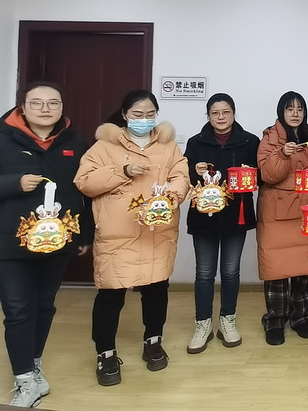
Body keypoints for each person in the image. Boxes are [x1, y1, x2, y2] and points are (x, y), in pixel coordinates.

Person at [74, 90, 189, 387]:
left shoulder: (168, 146)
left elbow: (181, 176)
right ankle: (106, 354)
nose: (144, 120)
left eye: (150, 114)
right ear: (125, 115)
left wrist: (171, 196)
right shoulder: (104, 146)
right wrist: (122, 170)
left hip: (156, 231)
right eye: (138, 115)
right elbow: (84, 182)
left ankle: (154, 341)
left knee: (157, 289)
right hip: (118, 234)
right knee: (111, 295)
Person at [0, 82, 92, 407]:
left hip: (56, 241)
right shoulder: (3, 139)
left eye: (53, 103)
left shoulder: (76, 144)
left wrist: (84, 235)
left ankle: (34, 366)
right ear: (23, 107)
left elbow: (84, 192)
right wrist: (13, 183)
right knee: (17, 310)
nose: (45, 108)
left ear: (62, 107)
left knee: (44, 306)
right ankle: (24, 380)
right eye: (36, 102)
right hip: (9, 244)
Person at [184, 93, 259, 353]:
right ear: (208, 116)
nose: (221, 117)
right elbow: (183, 178)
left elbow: (261, 178)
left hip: (236, 214)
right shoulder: (195, 142)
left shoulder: (250, 141)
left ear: (234, 114)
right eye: (215, 113)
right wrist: (194, 171)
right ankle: (202, 323)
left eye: (226, 112)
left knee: (230, 271)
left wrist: (250, 173)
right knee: (204, 273)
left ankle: (228, 319)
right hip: (203, 215)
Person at [257, 91, 308, 346]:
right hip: (278, 213)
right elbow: (268, 175)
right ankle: (275, 320)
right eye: (289, 108)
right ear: (281, 112)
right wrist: (283, 154)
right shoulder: (270, 139)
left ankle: (301, 317)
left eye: (299, 109)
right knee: (277, 269)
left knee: (305, 267)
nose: (295, 113)